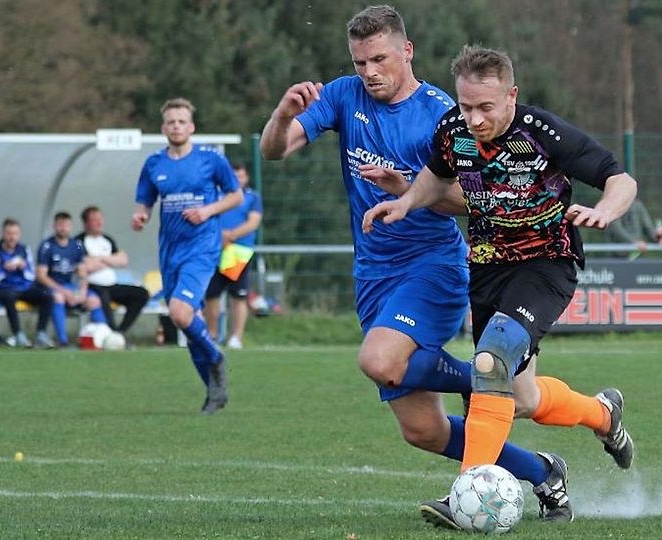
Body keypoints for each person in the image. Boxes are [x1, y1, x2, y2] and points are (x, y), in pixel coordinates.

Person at [261, 5, 574, 527]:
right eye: (360, 62)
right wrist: (280, 114)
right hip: (373, 275)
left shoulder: (444, 114)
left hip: (432, 266)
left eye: (379, 59)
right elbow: (277, 150)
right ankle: (543, 471)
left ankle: (484, 381)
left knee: (379, 360)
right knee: (423, 432)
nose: (370, 72)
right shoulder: (343, 95)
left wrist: (407, 187)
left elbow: (472, 201)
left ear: (406, 51)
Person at [363, 45, 637, 526]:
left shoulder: (542, 133)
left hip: (546, 265)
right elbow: (435, 175)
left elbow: (620, 179)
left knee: (489, 363)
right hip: (488, 268)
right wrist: (406, 201)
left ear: (511, 96)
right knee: (522, 398)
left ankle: (467, 494)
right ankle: (602, 414)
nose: (474, 118)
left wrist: (604, 211)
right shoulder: (454, 131)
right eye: (466, 106)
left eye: (485, 107)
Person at [132, 97, 244, 414]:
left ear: (191, 126)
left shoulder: (210, 159)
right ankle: (214, 391)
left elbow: (236, 195)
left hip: (202, 247)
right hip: (170, 251)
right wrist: (140, 216)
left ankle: (217, 358)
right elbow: (145, 202)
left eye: (182, 121)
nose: (176, 126)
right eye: (171, 122)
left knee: (181, 314)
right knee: (185, 321)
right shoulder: (154, 164)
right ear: (163, 127)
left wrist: (208, 210)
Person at [203, 161, 264, 350]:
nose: (238, 180)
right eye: (234, 177)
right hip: (216, 250)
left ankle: (235, 337)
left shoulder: (252, 197)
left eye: (241, 176)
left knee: (238, 296)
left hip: (239, 252)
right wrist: (217, 237)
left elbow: (253, 223)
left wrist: (231, 235)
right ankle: (212, 335)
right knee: (211, 294)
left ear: (246, 178)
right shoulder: (217, 195)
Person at [75, 206, 151, 337]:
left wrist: (99, 258)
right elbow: (86, 266)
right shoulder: (79, 241)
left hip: (111, 284)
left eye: (100, 219)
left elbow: (123, 260)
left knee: (141, 294)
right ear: (86, 223)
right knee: (103, 297)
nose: (99, 223)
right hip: (93, 286)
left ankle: (120, 331)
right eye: (94, 220)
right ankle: (111, 330)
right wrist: (110, 260)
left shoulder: (107, 240)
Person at [36, 211, 109, 347]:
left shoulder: (76, 245)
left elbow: (82, 272)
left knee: (94, 300)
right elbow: (41, 276)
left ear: (71, 227)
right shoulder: (47, 246)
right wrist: (64, 292)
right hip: (52, 288)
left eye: (66, 225)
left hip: (71, 287)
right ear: (54, 226)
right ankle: (63, 341)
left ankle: (103, 339)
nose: (63, 228)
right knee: (58, 297)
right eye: (60, 225)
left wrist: (82, 291)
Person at [0, 218, 55, 348]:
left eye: (15, 234)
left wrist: (23, 267)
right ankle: (18, 334)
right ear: (3, 234)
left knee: (47, 296)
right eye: (9, 234)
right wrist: (4, 269)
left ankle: (41, 333)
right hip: (3, 288)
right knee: (9, 297)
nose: (12, 237)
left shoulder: (24, 250)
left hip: (23, 288)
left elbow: (31, 275)